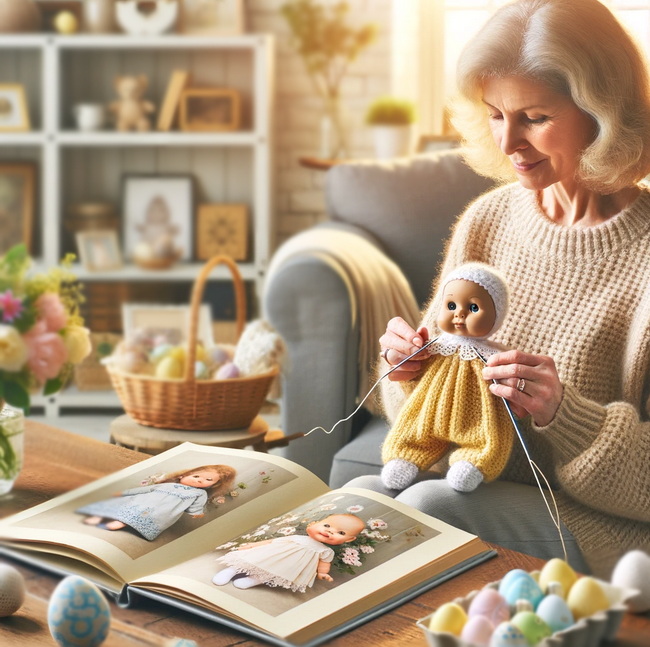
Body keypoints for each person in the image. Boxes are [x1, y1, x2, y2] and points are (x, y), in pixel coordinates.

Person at [347, 0, 650, 578]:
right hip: (473, 480)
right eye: (494, 114)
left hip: (606, 527)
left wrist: (565, 413)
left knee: (428, 508)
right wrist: (409, 372)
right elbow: (424, 411)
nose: (509, 141)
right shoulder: (487, 219)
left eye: (534, 117)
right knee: (363, 496)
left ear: (602, 113)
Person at [381, 263, 514, 493]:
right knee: (414, 425)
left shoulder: (494, 356)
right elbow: (412, 378)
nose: (459, 313)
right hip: (430, 412)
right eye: (451, 305)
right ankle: (406, 455)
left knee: (487, 433)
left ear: (496, 317)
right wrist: (404, 361)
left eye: (473, 307)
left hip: (474, 417)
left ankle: (474, 461)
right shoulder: (434, 347)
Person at [77, 464, 236, 541]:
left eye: (208, 480)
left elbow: (195, 506)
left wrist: (196, 513)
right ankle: (100, 516)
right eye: (196, 476)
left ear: (213, 485)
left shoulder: (199, 493)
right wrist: (124, 492)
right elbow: (143, 491)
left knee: (143, 512)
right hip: (142, 500)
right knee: (126, 503)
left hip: (161, 510)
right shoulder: (167, 484)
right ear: (183, 476)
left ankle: (121, 522)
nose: (201, 480)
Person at [212, 513, 365, 591]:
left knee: (278, 572)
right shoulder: (297, 537)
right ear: (312, 524)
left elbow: (324, 563)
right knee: (255, 558)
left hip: (289, 565)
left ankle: (254, 579)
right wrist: (253, 545)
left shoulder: (325, 551)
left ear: (348, 540)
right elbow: (272, 542)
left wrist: (322, 573)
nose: (330, 532)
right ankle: (231, 570)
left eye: (341, 533)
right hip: (271, 553)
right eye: (327, 526)